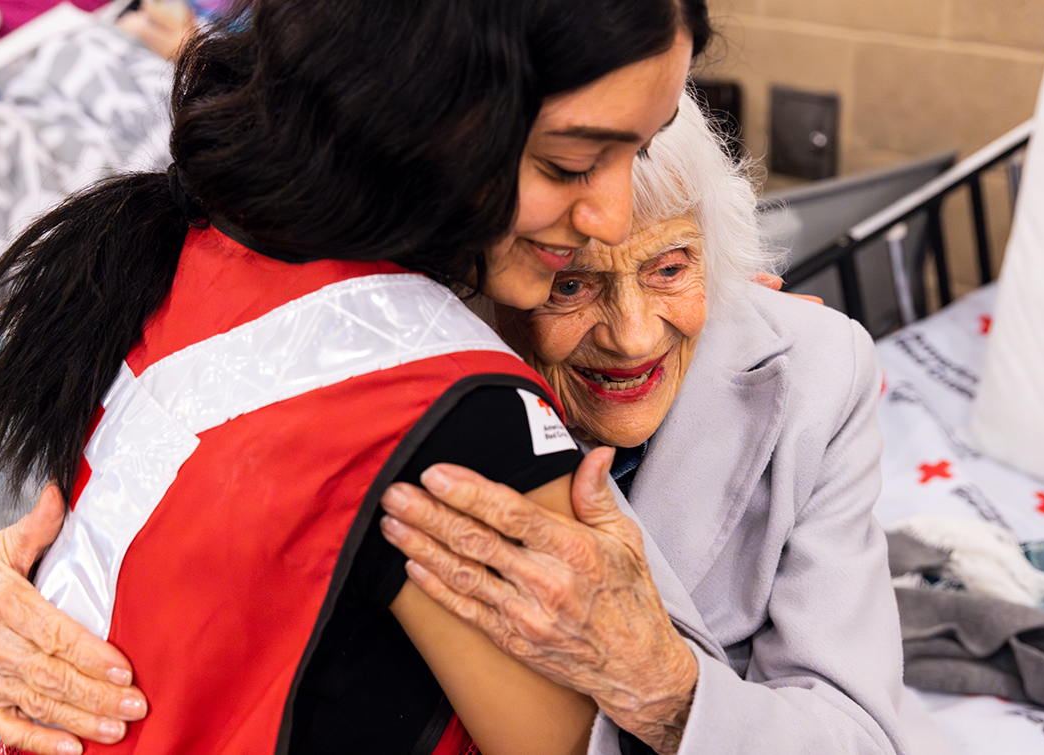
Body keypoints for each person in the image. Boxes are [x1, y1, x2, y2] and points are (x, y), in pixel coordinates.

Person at [0, 1, 709, 754]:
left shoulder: (177, 257)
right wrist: (666, 687)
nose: (612, 216)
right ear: (426, 108)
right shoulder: (454, 411)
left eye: (639, 151)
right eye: (570, 163)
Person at [379, 94, 909, 753]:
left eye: (669, 268)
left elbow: (857, 736)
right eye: (571, 285)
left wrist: (663, 686)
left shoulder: (820, 368)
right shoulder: (432, 413)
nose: (632, 337)